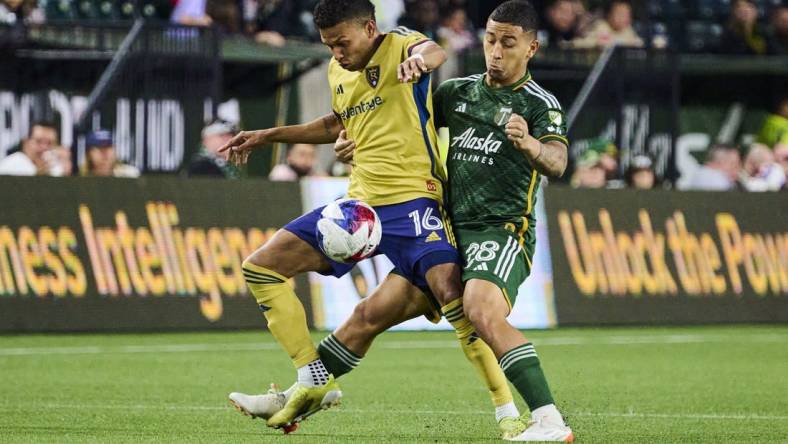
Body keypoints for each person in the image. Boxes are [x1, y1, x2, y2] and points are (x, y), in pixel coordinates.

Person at [241, 1, 575, 440]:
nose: (495, 51)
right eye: (490, 40)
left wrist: (532, 147)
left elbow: (558, 161)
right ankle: (306, 389)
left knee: (475, 308)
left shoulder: (539, 103)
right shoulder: (459, 93)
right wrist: (353, 140)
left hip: (499, 228)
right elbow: (400, 117)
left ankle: (542, 419)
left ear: (531, 48)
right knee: (367, 315)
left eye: (507, 43)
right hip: (449, 221)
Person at [571, 0, 643, 49]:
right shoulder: (601, 26)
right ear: (609, 15)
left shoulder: (628, 30)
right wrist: (596, 43)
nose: (624, 18)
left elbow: (638, 43)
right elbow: (582, 42)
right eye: (620, 14)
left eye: (627, 15)